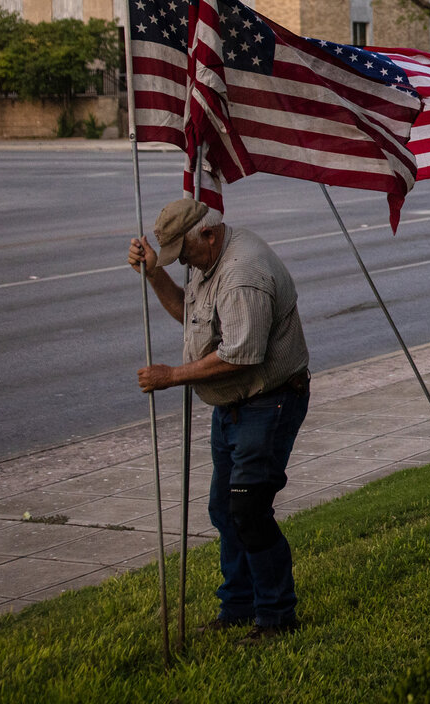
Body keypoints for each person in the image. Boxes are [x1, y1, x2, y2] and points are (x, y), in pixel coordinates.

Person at [129, 198, 311, 645]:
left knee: (248, 510)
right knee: (224, 510)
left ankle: (276, 617)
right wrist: (155, 272)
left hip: (266, 404)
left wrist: (172, 377)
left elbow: (241, 356)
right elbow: (189, 313)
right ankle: (238, 605)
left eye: (184, 253)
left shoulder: (241, 275)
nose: (183, 263)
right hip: (232, 407)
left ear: (207, 235)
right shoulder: (209, 261)